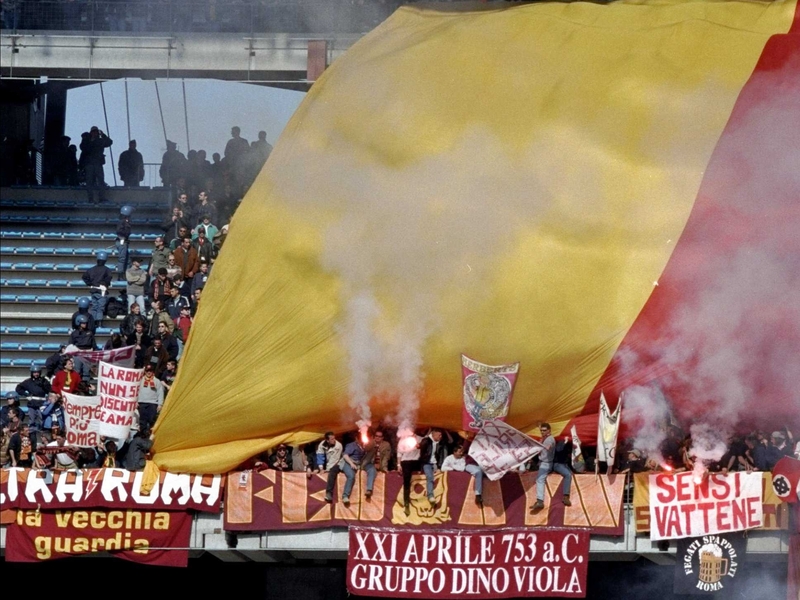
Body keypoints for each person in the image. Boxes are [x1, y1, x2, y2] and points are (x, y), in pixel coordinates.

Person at [532, 423, 572, 510]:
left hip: (546, 463)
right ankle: (565, 496)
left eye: (544, 430)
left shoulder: (549, 439)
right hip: (548, 463)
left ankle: (540, 501)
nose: (542, 432)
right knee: (567, 474)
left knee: (540, 480)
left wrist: (540, 447)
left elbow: (548, 447)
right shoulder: (545, 438)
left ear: (549, 430)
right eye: (541, 430)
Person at [80, 126, 112, 203]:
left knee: (100, 181)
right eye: (93, 132)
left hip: (97, 163)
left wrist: (103, 135)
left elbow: (109, 142)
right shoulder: (87, 140)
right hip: (89, 164)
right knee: (89, 182)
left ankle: (101, 197)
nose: (95, 133)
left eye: (96, 132)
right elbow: (82, 148)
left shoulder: (100, 141)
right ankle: (91, 198)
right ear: (91, 133)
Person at [82, 250, 113, 328]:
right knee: (100, 307)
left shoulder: (91, 269)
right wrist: (104, 284)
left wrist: (90, 283)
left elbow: (84, 277)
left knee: (94, 307)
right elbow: (109, 278)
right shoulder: (107, 270)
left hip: (93, 290)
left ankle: (93, 322)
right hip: (101, 290)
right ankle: (99, 323)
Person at [418, 429, 448, 506]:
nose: (440, 437)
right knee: (430, 477)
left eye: (441, 435)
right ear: (434, 434)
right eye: (439, 435)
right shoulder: (426, 441)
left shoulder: (440, 443)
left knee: (439, 476)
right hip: (427, 463)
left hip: (435, 463)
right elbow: (421, 454)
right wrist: (420, 466)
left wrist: (439, 466)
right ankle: (430, 495)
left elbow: (440, 455)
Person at [360, 429, 392, 499]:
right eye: (376, 436)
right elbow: (366, 449)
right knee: (372, 470)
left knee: (377, 470)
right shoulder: (370, 442)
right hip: (368, 463)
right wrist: (370, 444)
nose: (377, 437)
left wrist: (384, 468)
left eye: (379, 436)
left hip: (380, 464)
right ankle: (369, 490)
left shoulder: (386, 445)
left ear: (382, 438)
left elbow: (386, 457)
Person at [397, 432, 424, 516]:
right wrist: (398, 465)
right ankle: (406, 504)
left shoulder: (421, 438)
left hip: (417, 461)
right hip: (406, 462)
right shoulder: (402, 439)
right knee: (406, 482)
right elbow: (399, 453)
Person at [340, 436, 366, 506]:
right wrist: (351, 463)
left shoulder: (364, 446)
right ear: (356, 438)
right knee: (351, 476)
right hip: (348, 463)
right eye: (360, 439)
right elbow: (345, 455)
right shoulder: (352, 445)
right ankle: (345, 496)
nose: (361, 440)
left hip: (358, 464)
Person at [318, 432, 343, 503]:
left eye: (334, 438)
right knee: (317, 469)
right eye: (332, 439)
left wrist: (327, 470)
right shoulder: (322, 445)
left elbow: (334, 460)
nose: (334, 440)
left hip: (337, 463)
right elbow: (320, 455)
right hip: (328, 462)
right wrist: (321, 468)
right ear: (327, 440)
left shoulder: (338, 446)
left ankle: (329, 493)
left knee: (332, 472)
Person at [137, 365, 164, 431]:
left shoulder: (157, 381)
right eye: (147, 371)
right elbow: (135, 391)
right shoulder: (140, 379)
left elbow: (160, 392)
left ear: (153, 372)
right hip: (142, 402)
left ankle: (149, 434)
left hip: (153, 403)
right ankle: (142, 434)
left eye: (150, 371)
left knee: (151, 419)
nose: (149, 372)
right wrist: (135, 401)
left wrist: (160, 404)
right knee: (142, 420)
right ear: (145, 372)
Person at [115, 204, 133, 279]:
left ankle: (126, 274)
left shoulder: (124, 221)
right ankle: (120, 275)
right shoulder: (122, 222)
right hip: (122, 241)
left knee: (128, 260)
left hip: (124, 241)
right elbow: (119, 231)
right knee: (122, 259)